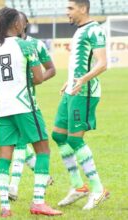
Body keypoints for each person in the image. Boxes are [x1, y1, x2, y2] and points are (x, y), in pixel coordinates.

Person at [0, 7, 62, 217]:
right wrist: (29, 79)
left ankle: (5, 207)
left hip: (2, 108)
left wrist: (1, 99)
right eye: (22, 22)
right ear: (17, 24)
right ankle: (38, 202)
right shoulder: (26, 45)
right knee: (43, 151)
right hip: (25, 105)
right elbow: (38, 78)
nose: (24, 25)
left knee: (4, 156)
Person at [52, 0, 109, 210]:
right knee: (58, 135)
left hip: (84, 93)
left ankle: (97, 189)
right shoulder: (80, 30)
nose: (67, 12)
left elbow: (103, 63)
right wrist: (70, 79)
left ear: (83, 8)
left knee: (75, 140)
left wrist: (82, 80)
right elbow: (81, 62)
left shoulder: (95, 30)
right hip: (72, 90)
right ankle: (78, 186)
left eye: (70, 8)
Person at [8, 11, 56, 201]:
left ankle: (13, 186)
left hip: (27, 101)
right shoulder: (6, 44)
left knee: (20, 142)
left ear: (25, 24)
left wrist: (35, 81)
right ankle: (39, 176)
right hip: (9, 101)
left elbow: (51, 69)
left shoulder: (36, 45)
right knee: (20, 142)